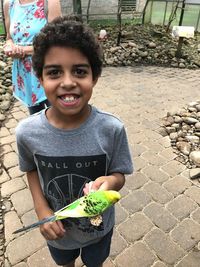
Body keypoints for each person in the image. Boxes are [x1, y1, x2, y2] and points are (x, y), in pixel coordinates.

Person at [15, 16, 133, 267]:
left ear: (95, 77)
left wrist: (110, 181)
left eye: (79, 71)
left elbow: (119, 174)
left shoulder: (112, 129)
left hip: (98, 230)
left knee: (94, 263)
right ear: (40, 78)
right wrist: (41, 209)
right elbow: (31, 169)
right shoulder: (27, 132)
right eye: (54, 72)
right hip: (57, 231)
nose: (68, 82)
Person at [3, 0, 61, 114]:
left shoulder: (50, 2)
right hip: (25, 74)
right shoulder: (9, 4)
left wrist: (22, 50)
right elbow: (9, 38)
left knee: (59, 117)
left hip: (48, 70)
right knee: (36, 118)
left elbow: (56, 40)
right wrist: (9, 47)